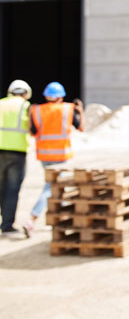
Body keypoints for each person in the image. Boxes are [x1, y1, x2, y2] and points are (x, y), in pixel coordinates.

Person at [24, 81, 84, 237]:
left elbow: (32, 132)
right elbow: (81, 128)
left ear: (46, 96)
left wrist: (30, 114)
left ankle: (62, 219)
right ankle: (32, 218)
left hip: (44, 156)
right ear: (60, 97)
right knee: (51, 187)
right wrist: (81, 111)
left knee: (56, 187)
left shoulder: (37, 110)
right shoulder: (67, 109)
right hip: (60, 156)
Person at [0, 80, 32, 238]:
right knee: (12, 190)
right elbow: (33, 129)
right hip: (17, 152)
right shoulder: (26, 107)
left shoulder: (0, 104)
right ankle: (6, 225)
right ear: (26, 93)